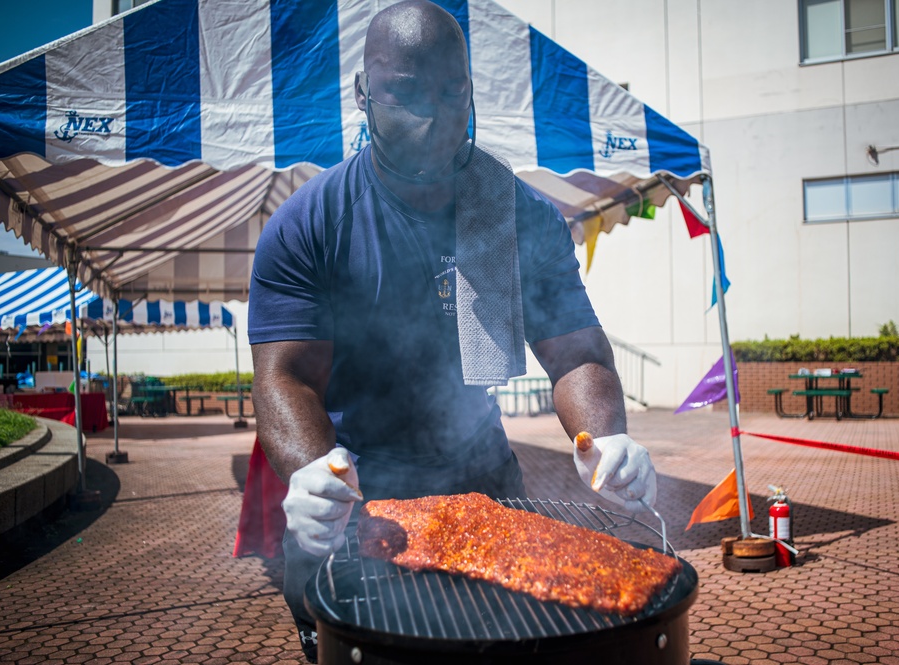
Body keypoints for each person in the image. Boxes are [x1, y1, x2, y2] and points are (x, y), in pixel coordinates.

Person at [247, 1, 656, 661]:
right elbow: (285, 375)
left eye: (451, 91)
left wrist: (606, 437)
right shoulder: (310, 223)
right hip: (359, 498)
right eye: (404, 93)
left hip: (485, 485)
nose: (433, 117)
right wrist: (311, 474)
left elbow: (577, 353)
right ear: (361, 94)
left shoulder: (516, 213)